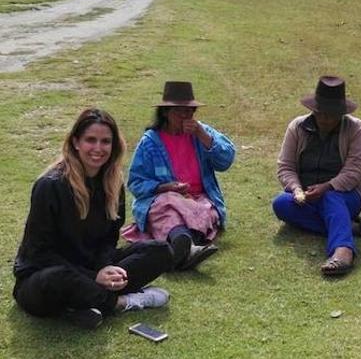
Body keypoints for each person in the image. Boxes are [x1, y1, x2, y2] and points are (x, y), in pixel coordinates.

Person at [13, 108, 172, 329]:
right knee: (58, 279)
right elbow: (38, 253)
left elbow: (108, 240)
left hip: (90, 266)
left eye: (105, 141)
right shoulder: (50, 185)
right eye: (91, 140)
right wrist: (94, 276)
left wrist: (104, 268)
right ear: (76, 142)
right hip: (46, 274)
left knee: (159, 250)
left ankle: (84, 306)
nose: (98, 148)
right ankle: (123, 302)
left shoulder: (113, 184)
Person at [122, 81, 236, 271]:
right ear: (166, 112)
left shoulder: (201, 132)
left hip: (199, 198)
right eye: (180, 111)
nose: (187, 116)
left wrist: (202, 134)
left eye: (190, 111)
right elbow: (136, 183)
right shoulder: (150, 142)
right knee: (168, 208)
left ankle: (179, 249)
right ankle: (186, 245)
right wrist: (165, 187)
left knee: (207, 210)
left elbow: (226, 160)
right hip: (163, 199)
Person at [272, 76, 361, 276]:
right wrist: (296, 189)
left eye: (332, 115)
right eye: (321, 114)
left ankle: (343, 250)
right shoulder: (297, 127)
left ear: (341, 113)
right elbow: (286, 166)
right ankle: (351, 228)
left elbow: (355, 170)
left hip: (346, 194)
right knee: (280, 203)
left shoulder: (356, 129)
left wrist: (328, 186)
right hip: (307, 194)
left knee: (331, 198)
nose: (325, 119)